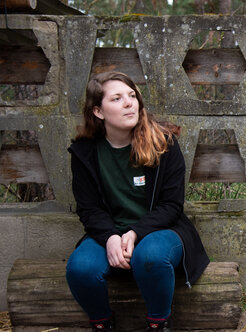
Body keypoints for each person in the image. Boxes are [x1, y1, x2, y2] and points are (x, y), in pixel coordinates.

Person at [66, 71, 209, 331]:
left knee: (150, 256)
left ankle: (158, 323)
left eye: (132, 96)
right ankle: (102, 323)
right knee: (81, 268)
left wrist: (135, 233)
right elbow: (89, 209)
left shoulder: (163, 144)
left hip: (161, 230)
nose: (130, 103)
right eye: (117, 98)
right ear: (98, 112)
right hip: (109, 231)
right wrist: (110, 237)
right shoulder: (84, 152)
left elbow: (171, 205)